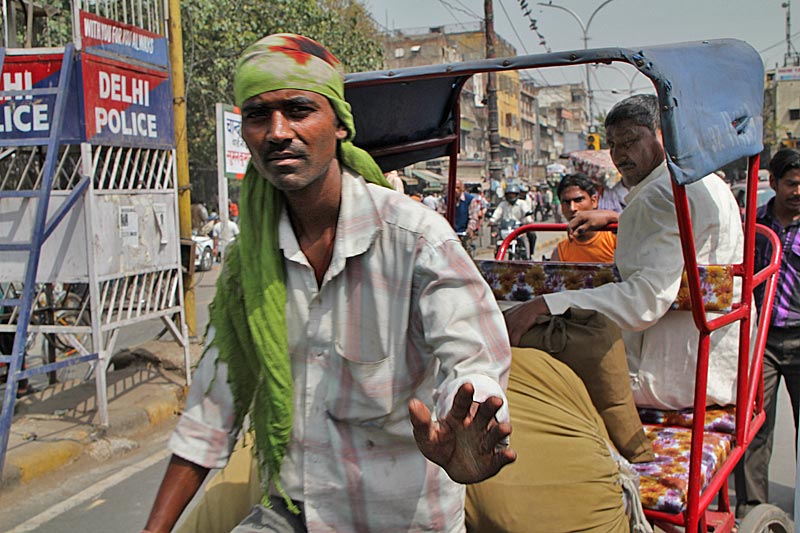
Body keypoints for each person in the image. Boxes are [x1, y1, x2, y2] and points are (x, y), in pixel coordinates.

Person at [142, 33, 514, 533]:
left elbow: (472, 357)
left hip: (399, 521)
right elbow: (213, 411)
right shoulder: (248, 262)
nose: (277, 132)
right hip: (292, 513)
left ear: (339, 124)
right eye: (258, 116)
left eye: (298, 110)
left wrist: (464, 430)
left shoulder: (415, 238)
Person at [504, 94, 744, 410]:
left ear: (664, 136)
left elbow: (642, 302)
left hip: (669, 378)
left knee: (533, 381)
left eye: (630, 141)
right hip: (716, 366)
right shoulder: (705, 183)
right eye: (614, 145)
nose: (619, 155)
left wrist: (544, 305)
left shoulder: (659, 197)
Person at [735, 148, 800, 518]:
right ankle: (752, 509)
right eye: (791, 183)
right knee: (756, 425)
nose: (798, 191)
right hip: (762, 341)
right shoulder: (752, 226)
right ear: (773, 183)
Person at [550, 173, 617, 263]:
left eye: (578, 200)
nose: (572, 208)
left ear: (594, 201)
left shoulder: (614, 239)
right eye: (566, 202)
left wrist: (611, 216)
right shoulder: (560, 253)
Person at [490, 183, 534, 258]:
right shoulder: (503, 204)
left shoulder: (521, 203)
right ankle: (498, 257)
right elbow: (497, 213)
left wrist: (529, 221)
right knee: (498, 240)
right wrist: (492, 220)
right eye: (509, 194)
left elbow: (527, 212)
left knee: (532, 235)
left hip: (519, 228)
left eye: (513, 194)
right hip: (506, 228)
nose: (511, 196)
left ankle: (529, 255)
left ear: (517, 195)